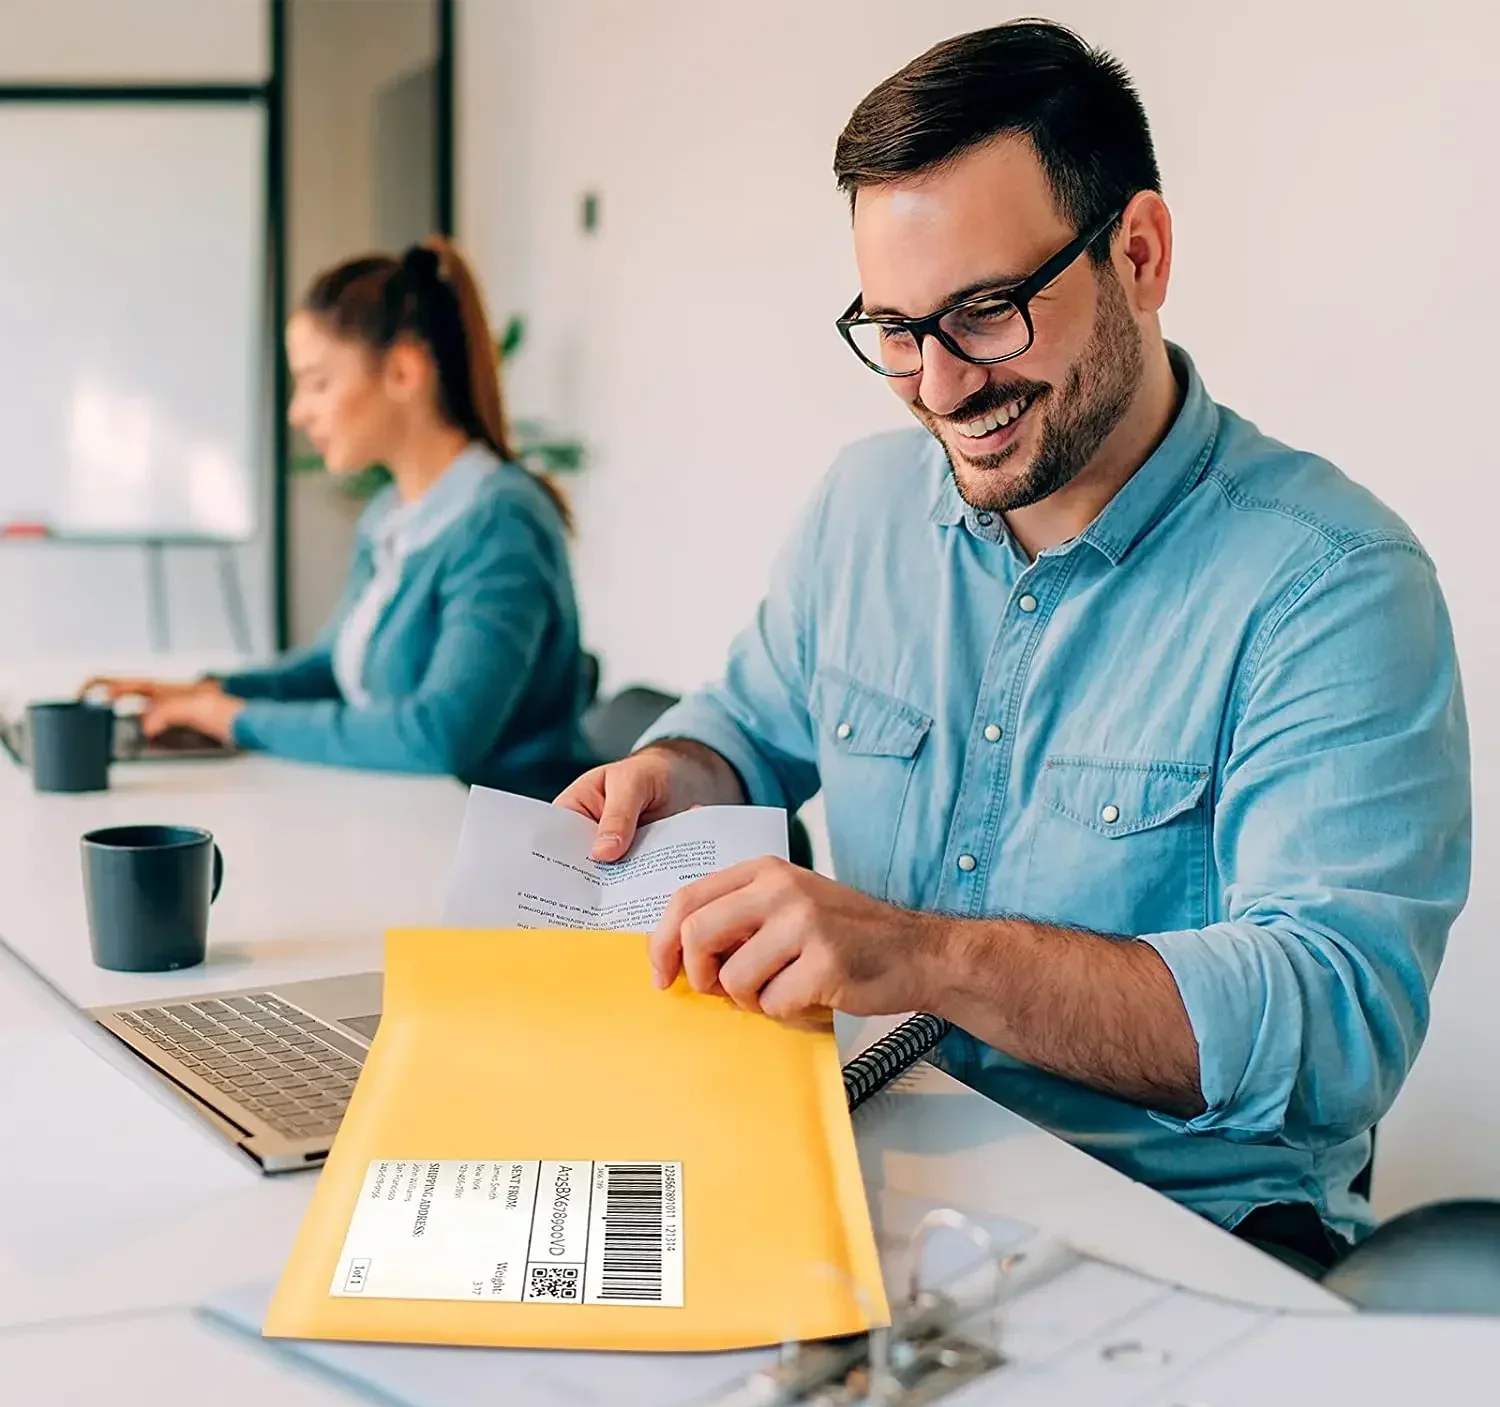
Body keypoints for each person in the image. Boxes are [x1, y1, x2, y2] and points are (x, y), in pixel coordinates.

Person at [558, 22, 1472, 1272]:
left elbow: (1334, 1024)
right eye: (893, 329)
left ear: (1139, 254)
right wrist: (678, 772)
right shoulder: (860, 508)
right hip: (851, 1174)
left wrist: (925, 956)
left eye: (985, 312)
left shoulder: (1333, 585)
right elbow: (748, 725)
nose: (937, 387)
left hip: (1180, 1242)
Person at [86, 239, 593, 796]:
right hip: (409, 816)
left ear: (402, 372)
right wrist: (203, 693)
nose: (298, 412)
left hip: (500, 846)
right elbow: (333, 669)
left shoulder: (499, 522)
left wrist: (232, 718)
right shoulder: (390, 515)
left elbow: (440, 734)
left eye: (318, 382)